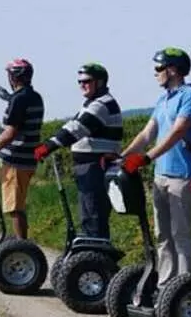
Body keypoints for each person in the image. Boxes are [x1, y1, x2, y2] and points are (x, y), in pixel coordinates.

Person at [120, 48, 191, 289]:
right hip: (161, 175)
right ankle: (165, 287)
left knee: (181, 235)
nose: (155, 73)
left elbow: (178, 131)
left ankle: (185, 287)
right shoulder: (163, 100)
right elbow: (147, 133)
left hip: (183, 175)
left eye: (159, 68)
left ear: (173, 69)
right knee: (162, 235)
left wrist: (147, 157)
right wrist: (122, 156)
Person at [33, 63, 123, 239]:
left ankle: (97, 252)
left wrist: (48, 146)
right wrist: (49, 142)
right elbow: (71, 124)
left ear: (100, 82)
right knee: (88, 215)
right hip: (89, 167)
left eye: (87, 81)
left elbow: (77, 128)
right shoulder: (92, 103)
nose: (82, 85)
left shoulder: (101, 105)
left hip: (96, 167)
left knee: (93, 216)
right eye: (79, 82)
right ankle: (93, 248)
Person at [0, 59, 44, 239]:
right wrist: (10, 99)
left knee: (15, 208)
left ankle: (21, 246)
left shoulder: (19, 99)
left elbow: (10, 133)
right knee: (17, 205)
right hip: (27, 159)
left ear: (14, 77)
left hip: (15, 160)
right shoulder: (34, 96)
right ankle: (21, 242)